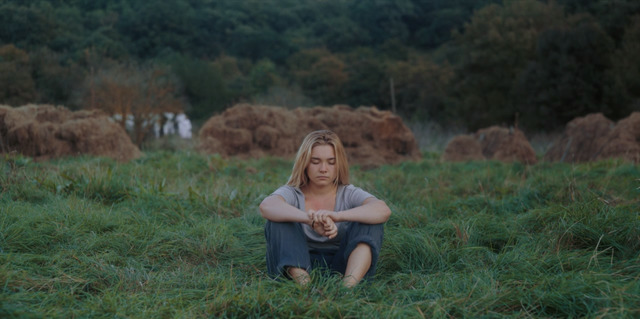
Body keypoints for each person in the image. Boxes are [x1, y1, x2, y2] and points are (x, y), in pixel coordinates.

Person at [259, 130, 391, 287]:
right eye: (315, 162)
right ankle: (306, 288)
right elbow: (267, 205)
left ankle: (346, 289)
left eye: (331, 162)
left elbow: (383, 210)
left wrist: (337, 216)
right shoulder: (292, 192)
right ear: (305, 163)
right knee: (278, 220)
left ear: (339, 164)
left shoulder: (348, 193)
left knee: (371, 221)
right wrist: (310, 220)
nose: (323, 169)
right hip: (297, 266)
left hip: (342, 266)